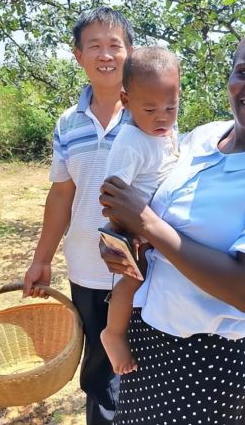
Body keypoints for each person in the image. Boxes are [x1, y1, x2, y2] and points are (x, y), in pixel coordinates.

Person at [99, 25, 245, 424]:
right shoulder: (201, 138)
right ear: (231, 77)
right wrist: (122, 244)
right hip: (147, 332)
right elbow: (146, 198)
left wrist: (148, 224)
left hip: (206, 358)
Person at [22, 7, 134, 425]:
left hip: (141, 271)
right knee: (99, 372)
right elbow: (62, 193)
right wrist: (42, 259)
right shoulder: (68, 123)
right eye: (95, 46)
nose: (106, 55)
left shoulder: (151, 115)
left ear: (130, 52)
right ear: (78, 56)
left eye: (115, 45)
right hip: (86, 269)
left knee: (140, 363)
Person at [100, 46, 180, 375]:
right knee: (132, 281)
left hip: (157, 231)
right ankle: (113, 334)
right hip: (136, 234)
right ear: (126, 100)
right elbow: (111, 194)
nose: (161, 117)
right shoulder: (131, 142)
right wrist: (127, 237)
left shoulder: (166, 132)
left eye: (171, 107)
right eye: (150, 109)